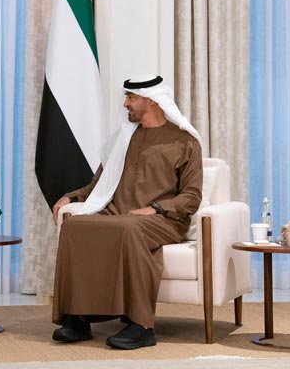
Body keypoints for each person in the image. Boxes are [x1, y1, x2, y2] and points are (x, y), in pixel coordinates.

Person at [50, 74, 203, 350]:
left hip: (164, 220)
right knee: (74, 225)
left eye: (131, 98)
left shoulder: (185, 142)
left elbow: (191, 197)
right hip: (118, 216)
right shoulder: (123, 139)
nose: (125, 104)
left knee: (129, 227)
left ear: (151, 101)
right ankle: (77, 319)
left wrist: (156, 208)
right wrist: (72, 197)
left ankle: (141, 326)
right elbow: (99, 183)